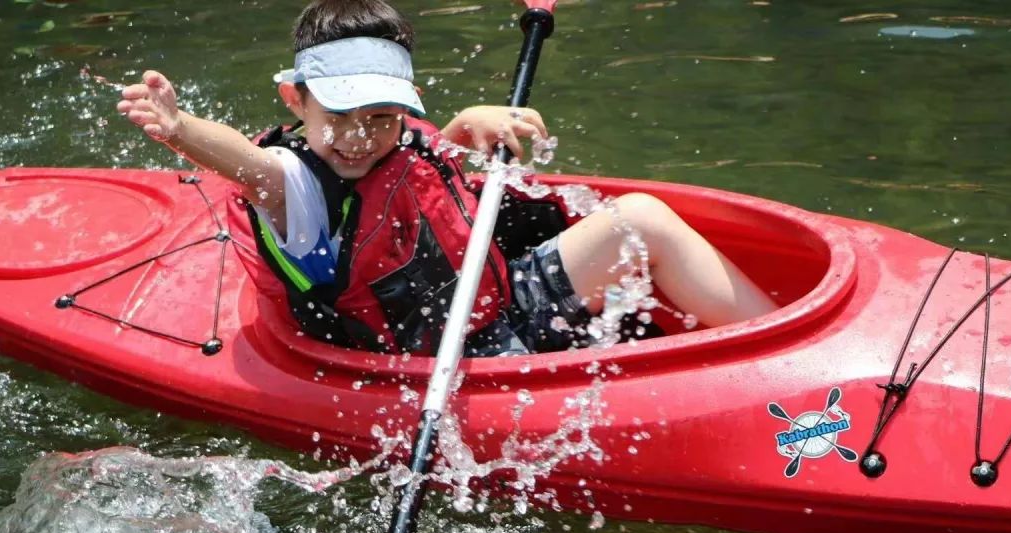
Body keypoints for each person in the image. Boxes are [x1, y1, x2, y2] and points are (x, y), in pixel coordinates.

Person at [117, 0, 776, 357]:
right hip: (445, 368)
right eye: (340, 115)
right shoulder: (296, 189)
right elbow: (248, 164)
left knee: (642, 219)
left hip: (497, 306)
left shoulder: (393, 138)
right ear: (297, 102)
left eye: (381, 116)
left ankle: (785, 351)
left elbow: (420, 171)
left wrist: (462, 127)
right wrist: (181, 129)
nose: (360, 136)